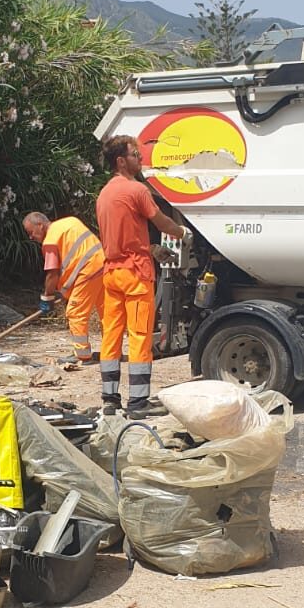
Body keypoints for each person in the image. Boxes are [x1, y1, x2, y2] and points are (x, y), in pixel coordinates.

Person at [96, 135, 193, 418]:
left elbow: (121, 235)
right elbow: (160, 220)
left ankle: (110, 399)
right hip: (135, 274)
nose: (141, 158)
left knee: (111, 336)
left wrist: (151, 248)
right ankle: (138, 403)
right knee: (139, 336)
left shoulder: (104, 194)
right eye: (135, 154)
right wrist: (181, 232)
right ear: (121, 161)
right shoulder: (136, 190)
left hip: (112, 273)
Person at [23, 212, 105, 364]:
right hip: (103, 264)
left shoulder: (50, 241)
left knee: (75, 312)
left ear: (40, 225)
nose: (31, 237)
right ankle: (112, 352)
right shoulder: (70, 221)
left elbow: (52, 273)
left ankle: (82, 354)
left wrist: (47, 297)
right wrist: (63, 291)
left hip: (88, 270)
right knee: (106, 311)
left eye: (31, 232)